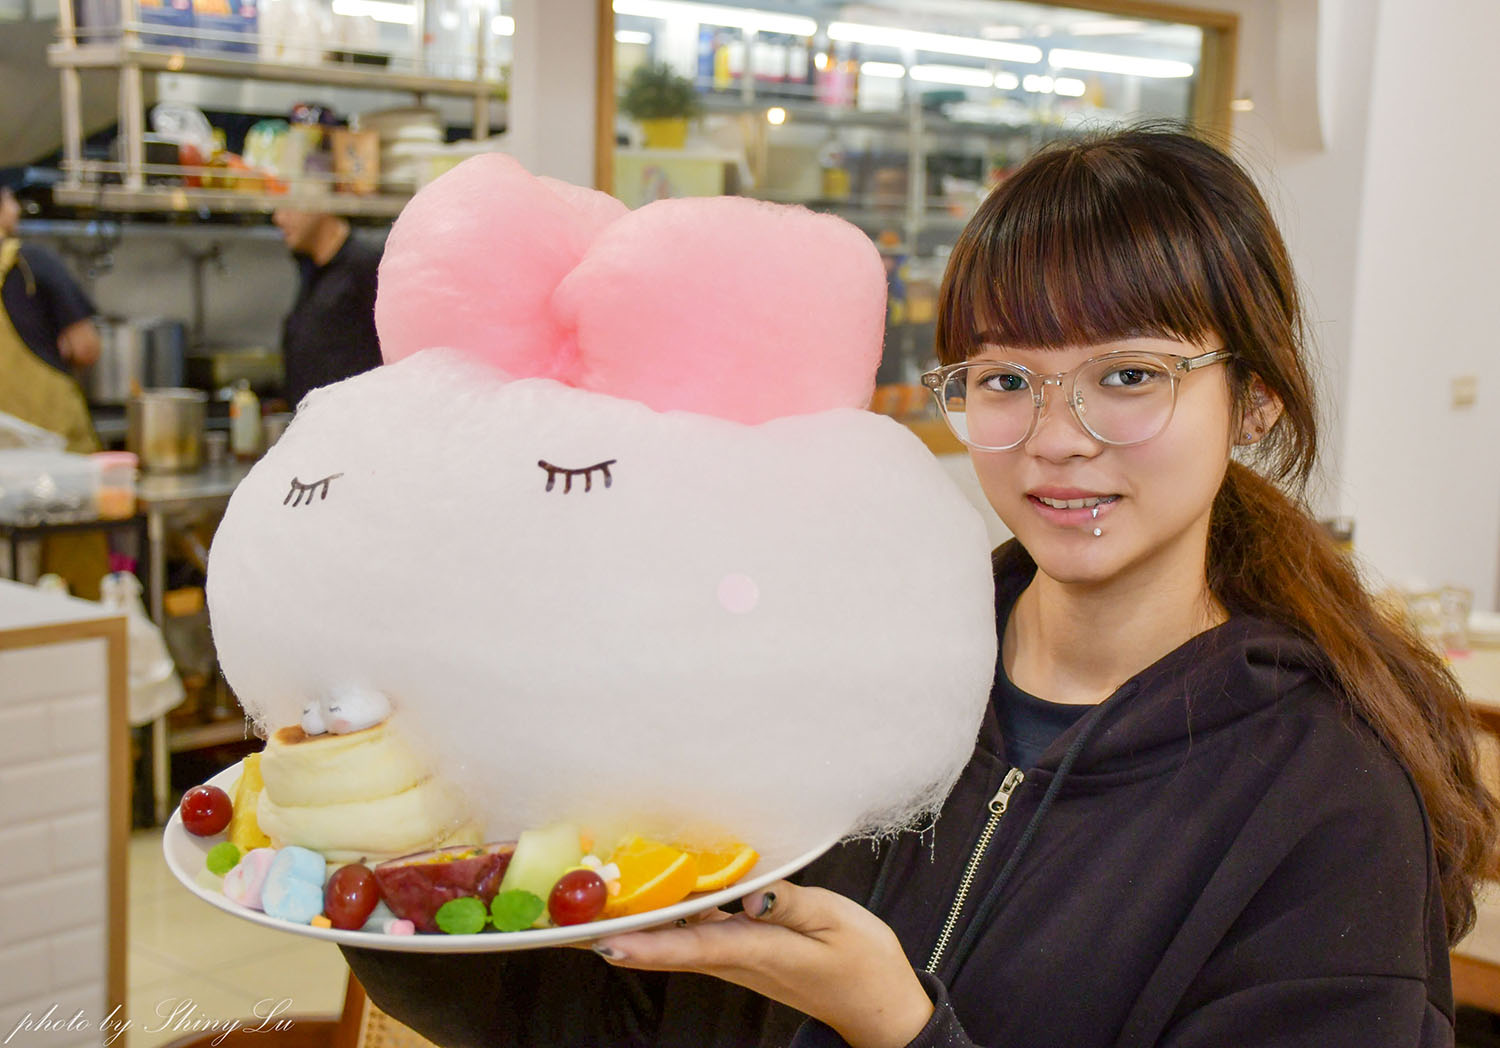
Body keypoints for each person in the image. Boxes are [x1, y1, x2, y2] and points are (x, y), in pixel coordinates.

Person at [340, 127, 1496, 1047]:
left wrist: (898, 1027)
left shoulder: (1327, 802)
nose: (1057, 438)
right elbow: (638, 1017)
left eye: (1130, 375)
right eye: (1005, 379)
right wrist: (386, 869)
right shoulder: (855, 670)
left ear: (1255, 402)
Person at [0, 182, 102, 452]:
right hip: (49, 439)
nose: (16, 209)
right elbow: (85, 348)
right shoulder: (31, 261)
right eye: (10, 200)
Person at [270, 208, 383, 408]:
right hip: (312, 418)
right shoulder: (309, 266)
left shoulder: (365, 263)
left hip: (356, 416)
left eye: (288, 207)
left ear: (320, 204)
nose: (278, 218)